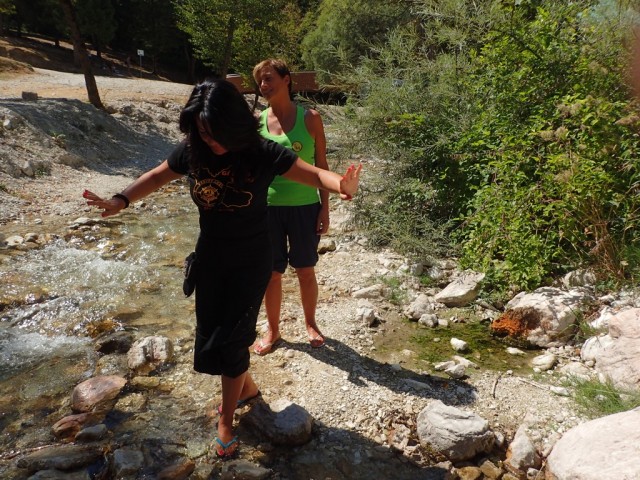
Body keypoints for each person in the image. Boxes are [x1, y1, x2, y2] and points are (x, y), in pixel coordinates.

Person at [82, 78, 361, 459]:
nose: (211, 140)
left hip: (252, 260)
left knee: (233, 340)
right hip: (210, 257)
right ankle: (246, 388)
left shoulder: (260, 151)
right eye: (203, 132)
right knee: (212, 337)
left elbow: (311, 173)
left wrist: (341, 184)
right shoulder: (194, 150)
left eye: (216, 133)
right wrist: (121, 199)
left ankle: (226, 420)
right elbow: (158, 175)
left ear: (235, 124)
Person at [251, 58, 329, 355]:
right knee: (272, 273)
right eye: (260, 81)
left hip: (305, 206)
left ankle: (311, 323)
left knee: (305, 270)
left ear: (287, 80)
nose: (263, 85)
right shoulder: (256, 122)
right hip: (268, 207)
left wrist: (325, 208)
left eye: (269, 78)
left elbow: (322, 165)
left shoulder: (311, 118)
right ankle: (273, 330)